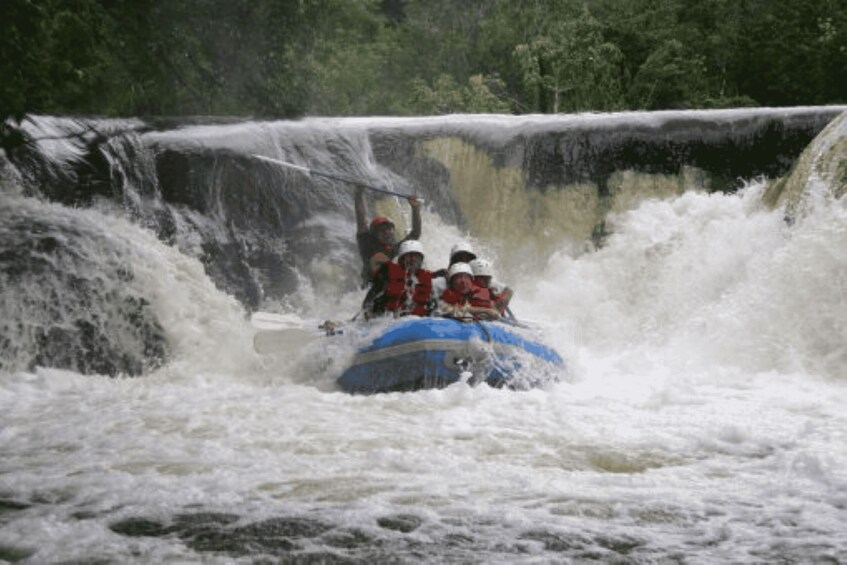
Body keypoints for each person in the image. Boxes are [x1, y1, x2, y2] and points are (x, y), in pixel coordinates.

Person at [356, 186, 422, 287]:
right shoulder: (367, 245)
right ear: (374, 234)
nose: (387, 233)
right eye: (382, 230)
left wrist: (415, 208)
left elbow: (415, 234)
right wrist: (358, 195)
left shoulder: (394, 248)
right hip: (370, 287)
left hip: (388, 287)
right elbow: (361, 220)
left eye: (389, 229)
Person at [362, 239, 435, 318]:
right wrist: (368, 312)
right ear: (402, 259)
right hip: (387, 320)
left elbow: (433, 307)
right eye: (409, 256)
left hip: (416, 321)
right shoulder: (387, 275)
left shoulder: (426, 279)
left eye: (416, 256)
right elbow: (370, 298)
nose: (413, 259)